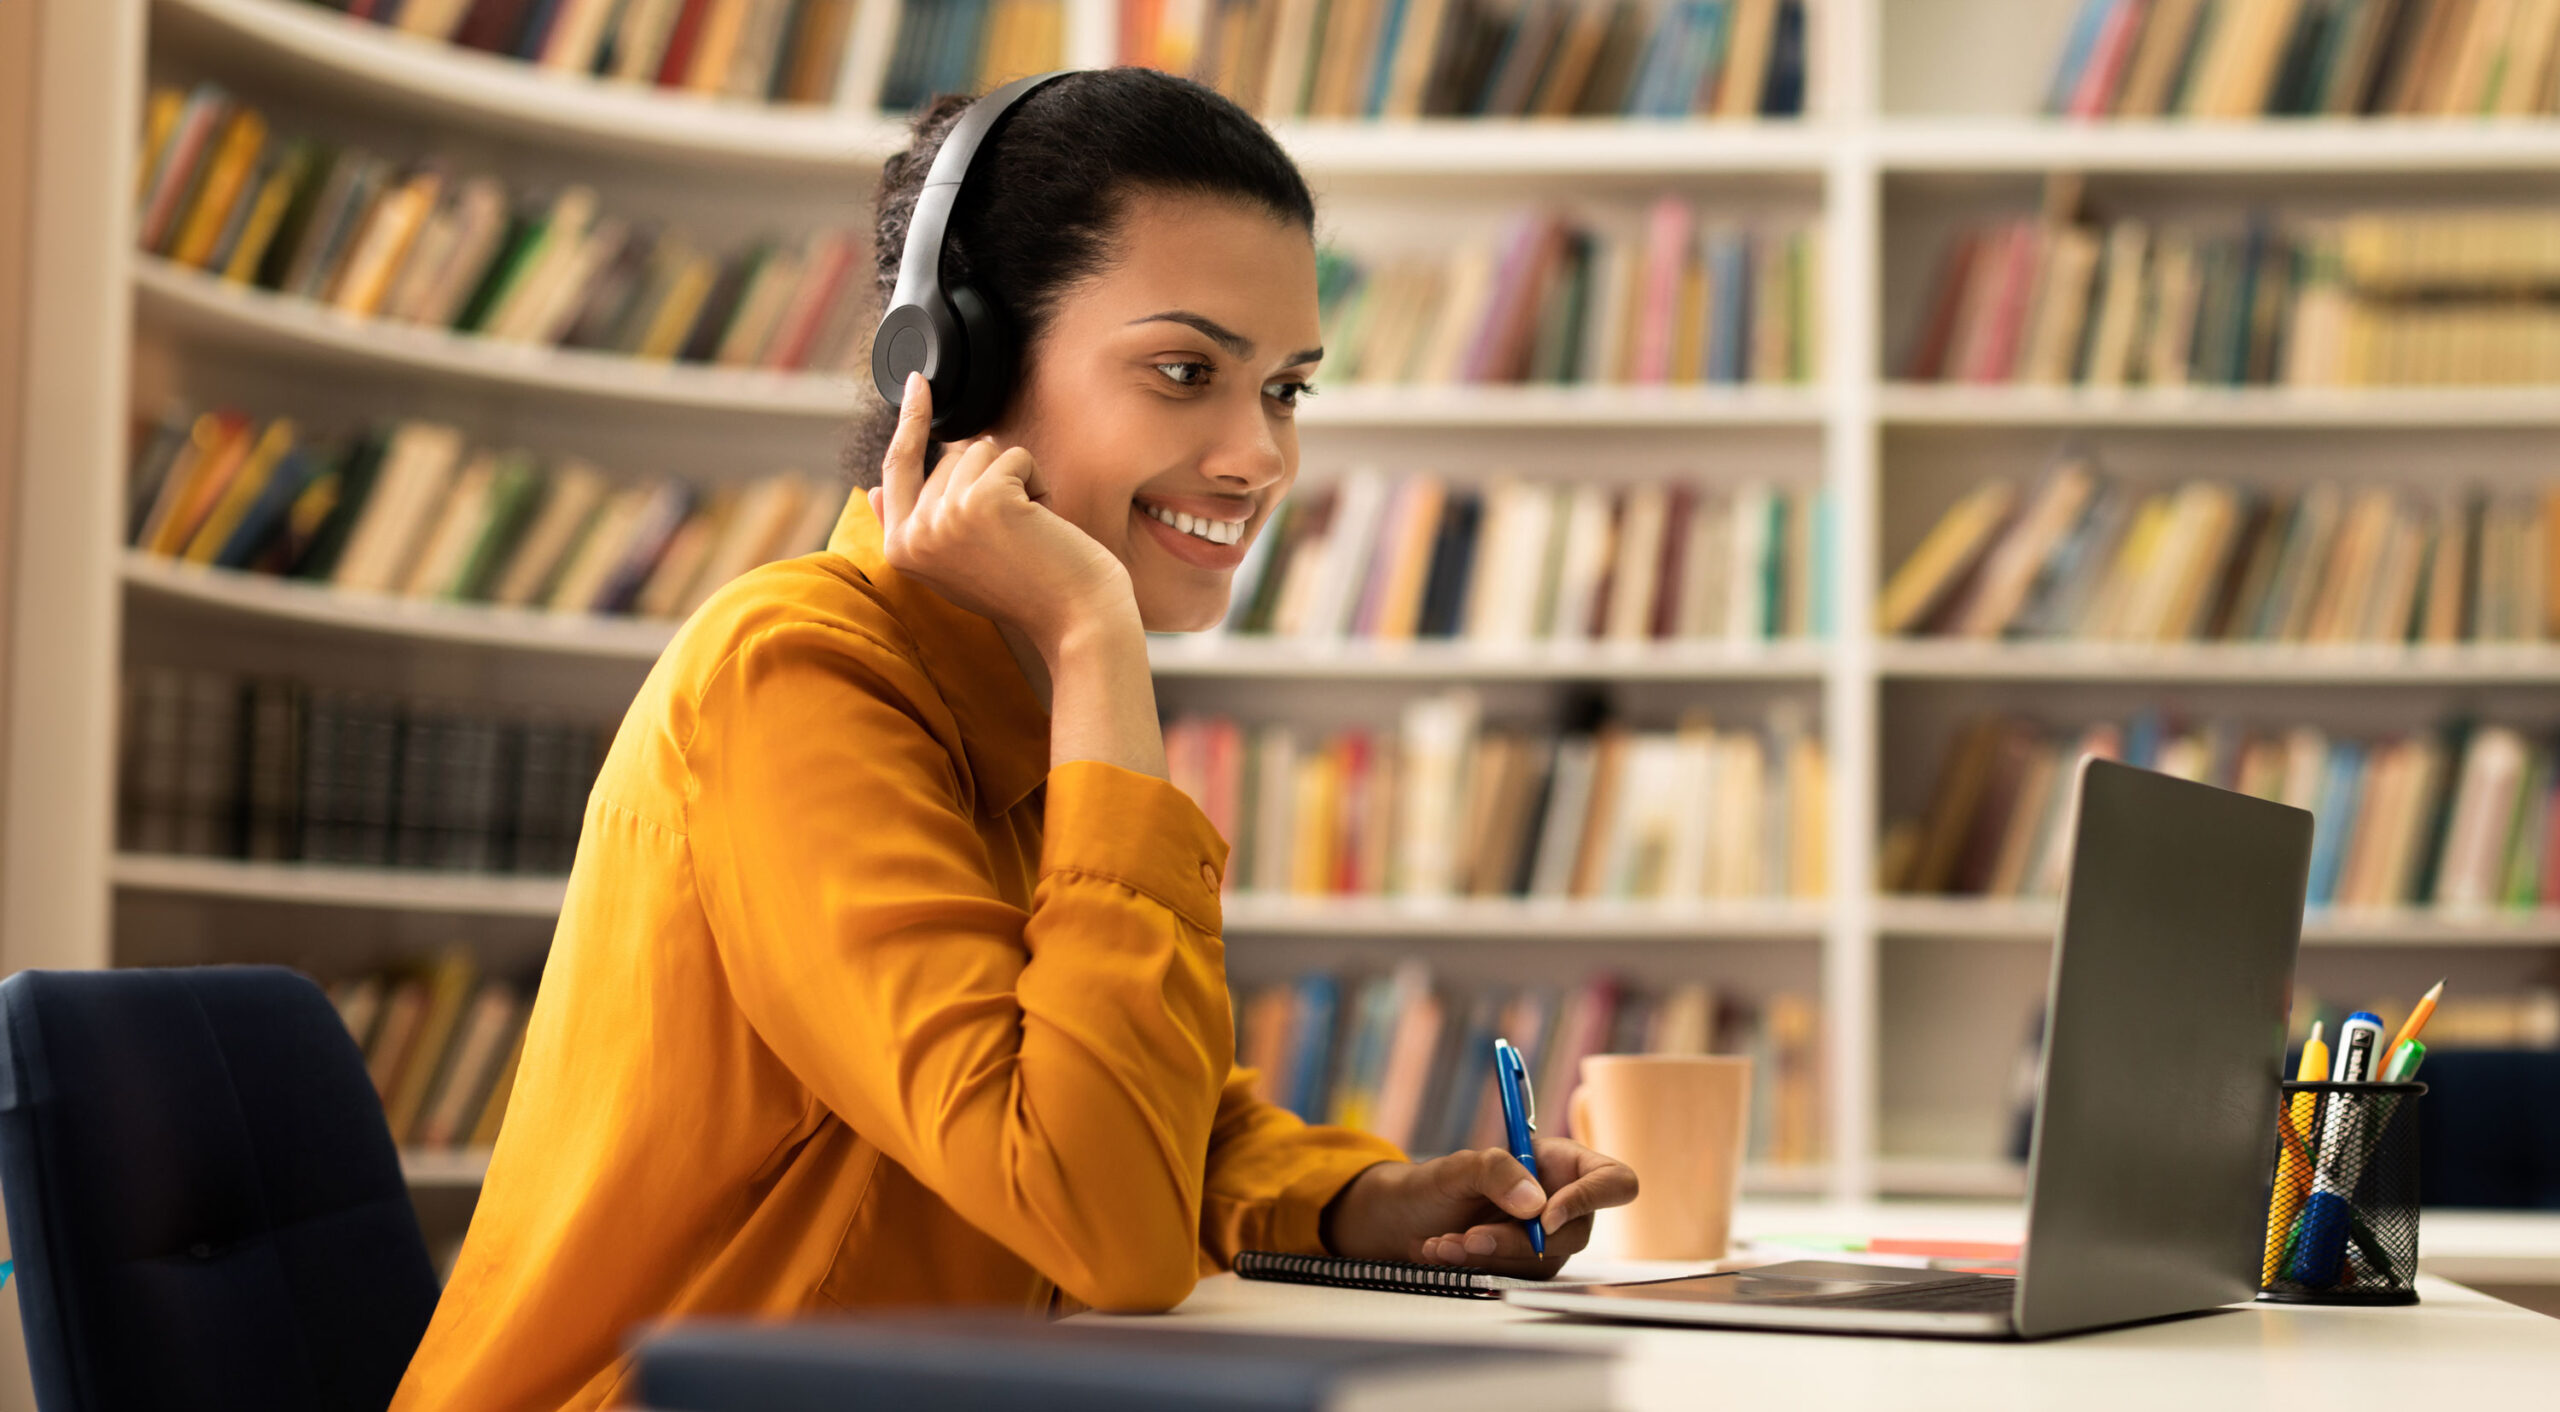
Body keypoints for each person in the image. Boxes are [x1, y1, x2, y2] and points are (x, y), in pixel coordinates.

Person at [391, 68, 1636, 1411]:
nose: (1259, 456)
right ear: (957, 368)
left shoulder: (1021, 700)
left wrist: (1365, 1201)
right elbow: (1097, 1216)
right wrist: (1098, 634)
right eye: (1184, 372)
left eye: (1285, 390)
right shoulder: (794, 681)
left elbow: (1143, 1118)